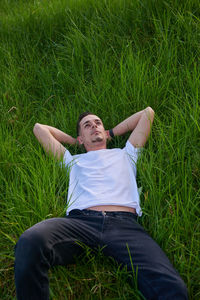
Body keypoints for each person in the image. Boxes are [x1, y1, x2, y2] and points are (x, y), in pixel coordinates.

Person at [14, 107, 188, 299]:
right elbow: (39, 128)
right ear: (81, 138)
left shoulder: (127, 153)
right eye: (87, 126)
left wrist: (110, 133)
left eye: (97, 123)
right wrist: (75, 142)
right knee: (30, 241)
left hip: (125, 226)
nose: (94, 126)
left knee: (173, 289)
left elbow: (147, 113)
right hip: (80, 223)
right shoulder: (72, 161)